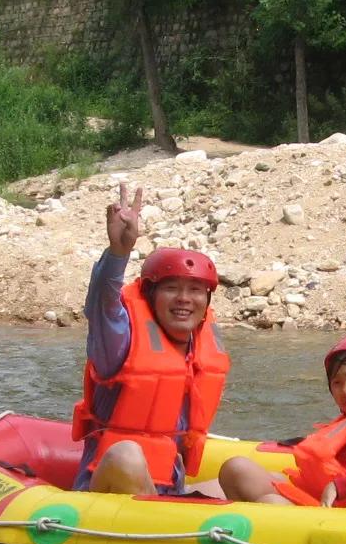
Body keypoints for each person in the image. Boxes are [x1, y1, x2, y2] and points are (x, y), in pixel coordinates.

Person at [71, 183, 230, 496]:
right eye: (172, 288)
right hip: (108, 492)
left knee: (242, 472)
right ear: (150, 294)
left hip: (169, 489)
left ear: (207, 300)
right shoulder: (119, 342)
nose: (184, 299)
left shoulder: (202, 346)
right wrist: (119, 253)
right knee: (127, 455)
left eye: (196, 290)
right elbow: (103, 303)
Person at [217, 335, 346, 506]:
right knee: (236, 468)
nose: (345, 390)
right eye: (337, 383)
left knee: (270, 502)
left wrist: (340, 486)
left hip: (336, 507)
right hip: (318, 493)